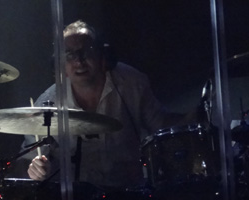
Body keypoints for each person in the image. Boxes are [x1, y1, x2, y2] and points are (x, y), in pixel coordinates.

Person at [24, 20, 183, 189]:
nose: (79, 61)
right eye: (69, 54)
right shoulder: (48, 103)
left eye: (86, 52)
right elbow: (25, 162)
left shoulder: (132, 83)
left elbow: (162, 128)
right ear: (60, 66)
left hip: (129, 193)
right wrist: (35, 169)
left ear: (104, 58)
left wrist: (196, 116)